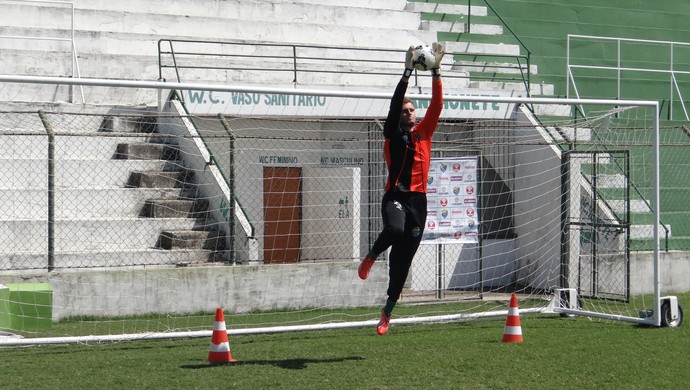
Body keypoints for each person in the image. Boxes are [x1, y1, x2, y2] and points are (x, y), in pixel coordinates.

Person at [358, 43, 445, 335]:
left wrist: (437, 73)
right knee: (394, 231)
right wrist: (407, 72)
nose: (408, 113)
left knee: (402, 263)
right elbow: (394, 106)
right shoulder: (392, 135)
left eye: (411, 110)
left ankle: (387, 311)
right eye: (405, 111)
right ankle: (371, 256)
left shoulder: (424, 132)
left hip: (419, 204)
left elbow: (437, 106)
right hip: (395, 198)